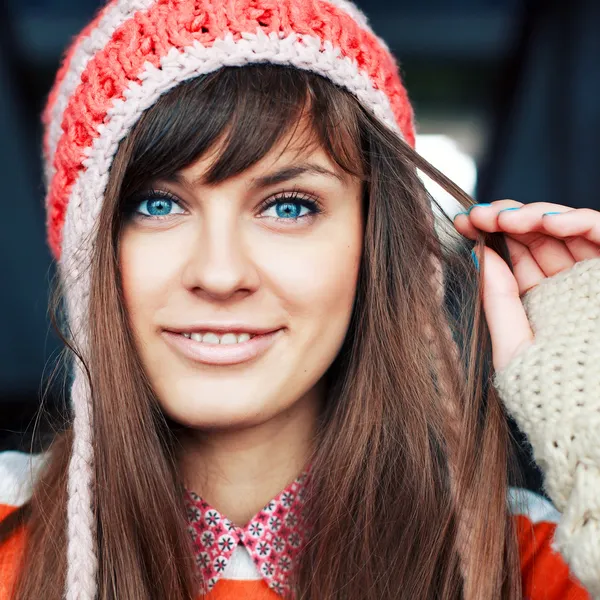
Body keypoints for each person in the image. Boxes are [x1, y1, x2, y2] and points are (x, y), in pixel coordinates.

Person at [0, 0, 599, 598]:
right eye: (157, 204)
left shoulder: (532, 557)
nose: (219, 272)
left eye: (289, 206)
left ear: (374, 247)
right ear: (86, 252)